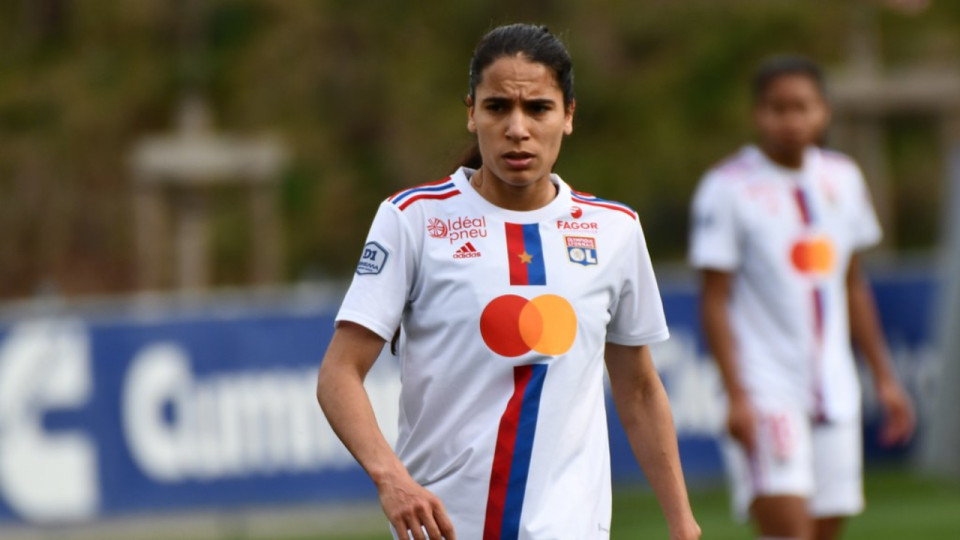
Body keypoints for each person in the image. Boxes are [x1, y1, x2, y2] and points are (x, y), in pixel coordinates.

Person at [317, 23, 701, 540]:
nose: (517, 128)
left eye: (538, 108)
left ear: (568, 116)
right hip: (447, 527)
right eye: (498, 107)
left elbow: (638, 389)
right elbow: (339, 374)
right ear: (471, 112)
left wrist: (682, 522)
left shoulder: (615, 231)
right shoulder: (412, 219)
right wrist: (393, 480)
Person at [688, 55, 915, 540]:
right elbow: (713, 298)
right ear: (757, 114)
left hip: (834, 386)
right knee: (789, 533)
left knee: (825, 530)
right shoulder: (726, 188)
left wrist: (885, 377)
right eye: (777, 107)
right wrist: (738, 394)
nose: (790, 119)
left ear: (824, 111)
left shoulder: (843, 178)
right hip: (765, 386)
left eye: (801, 106)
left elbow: (853, 282)